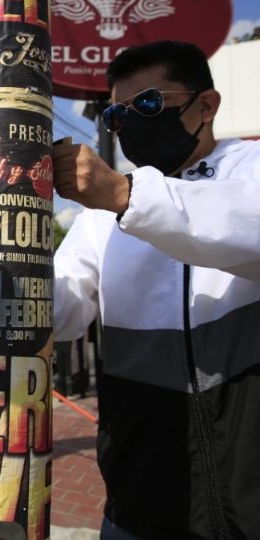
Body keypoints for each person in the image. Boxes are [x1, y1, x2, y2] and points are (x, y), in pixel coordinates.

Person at [51, 41, 260, 539]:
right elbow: (62, 313)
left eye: (147, 104)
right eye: (118, 115)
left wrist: (126, 196)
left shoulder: (248, 167)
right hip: (141, 502)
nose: (130, 124)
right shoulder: (99, 219)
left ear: (205, 105)